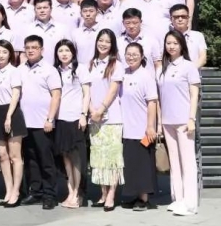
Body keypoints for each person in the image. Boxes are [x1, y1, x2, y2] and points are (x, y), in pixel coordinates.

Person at [158, 30, 201, 216]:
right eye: (168, 43)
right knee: (174, 162)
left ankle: (190, 204)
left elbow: (194, 95)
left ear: (182, 45)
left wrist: (191, 118)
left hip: (184, 121)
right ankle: (178, 198)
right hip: (167, 121)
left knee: (187, 161)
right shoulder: (163, 68)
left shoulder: (189, 66)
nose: (171, 46)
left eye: (175, 43)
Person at [18, 35, 62, 210]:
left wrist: (50, 118)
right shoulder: (20, 69)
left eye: (34, 48)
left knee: (46, 161)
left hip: (43, 123)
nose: (30, 51)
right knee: (31, 160)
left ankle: (49, 194)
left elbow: (56, 95)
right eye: (27, 47)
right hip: (25, 123)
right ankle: (35, 191)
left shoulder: (49, 70)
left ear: (41, 50)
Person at [85, 29, 124, 212]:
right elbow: (86, 89)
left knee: (112, 158)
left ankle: (111, 194)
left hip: (112, 117)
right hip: (94, 117)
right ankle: (102, 192)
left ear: (112, 45)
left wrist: (101, 109)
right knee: (99, 157)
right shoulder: (90, 64)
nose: (103, 44)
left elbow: (113, 90)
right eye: (101, 40)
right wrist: (91, 110)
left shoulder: (116, 64)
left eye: (107, 41)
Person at [0, 39, 26, 207]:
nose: (1, 55)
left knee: (15, 156)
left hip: (12, 113)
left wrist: (9, 116)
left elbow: (16, 94)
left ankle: (16, 191)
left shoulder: (14, 72)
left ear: (10, 54)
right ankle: (8, 190)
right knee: (2, 155)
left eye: (4, 52)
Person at [121, 42, 160, 211]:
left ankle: (143, 198)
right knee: (130, 163)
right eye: (128, 54)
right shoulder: (123, 74)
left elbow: (152, 102)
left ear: (142, 56)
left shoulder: (146, 76)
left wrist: (150, 126)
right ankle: (133, 195)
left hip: (142, 128)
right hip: (126, 127)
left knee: (143, 163)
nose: (131, 57)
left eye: (135, 54)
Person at [53, 40, 90, 209]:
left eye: (67, 50)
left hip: (75, 118)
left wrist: (84, 114)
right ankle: (70, 190)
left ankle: (78, 192)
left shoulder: (80, 69)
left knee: (76, 158)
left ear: (73, 53)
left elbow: (87, 93)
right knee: (65, 157)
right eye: (60, 50)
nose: (64, 54)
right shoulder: (55, 71)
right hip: (60, 118)